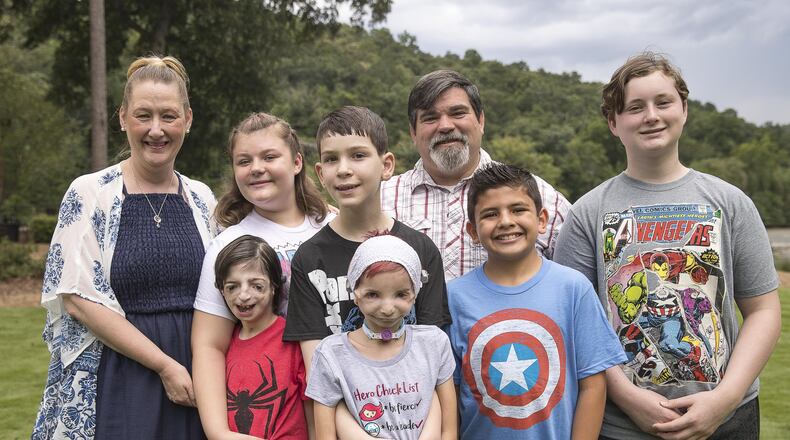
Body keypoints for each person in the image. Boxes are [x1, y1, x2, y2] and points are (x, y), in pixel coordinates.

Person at [553, 52, 782, 439]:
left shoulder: (729, 202)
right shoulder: (587, 213)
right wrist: (626, 397)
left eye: (663, 102)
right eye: (635, 107)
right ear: (613, 122)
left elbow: (762, 310)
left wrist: (725, 397)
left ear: (684, 109)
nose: (651, 116)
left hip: (728, 419)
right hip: (621, 424)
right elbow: (576, 326)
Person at [32, 55, 217, 439]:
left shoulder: (201, 198)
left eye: (168, 116)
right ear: (122, 118)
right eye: (142, 115)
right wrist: (165, 366)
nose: (156, 130)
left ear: (188, 119)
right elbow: (79, 299)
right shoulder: (89, 193)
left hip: (197, 376)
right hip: (120, 375)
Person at [447, 163, 626, 439]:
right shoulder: (454, 297)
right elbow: (450, 394)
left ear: (542, 219)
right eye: (490, 214)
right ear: (472, 231)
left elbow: (593, 385)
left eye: (518, 210)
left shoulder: (573, 288)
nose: (506, 221)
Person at [191, 112, 330, 438]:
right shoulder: (228, 244)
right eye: (244, 161)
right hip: (276, 417)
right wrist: (218, 431)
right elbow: (209, 345)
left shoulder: (333, 227)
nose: (256, 168)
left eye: (269, 157)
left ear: (297, 162)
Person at [282, 106, 451, 369]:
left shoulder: (420, 249)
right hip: (340, 406)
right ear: (320, 173)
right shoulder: (309, 258)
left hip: (414, 402)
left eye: (358, 155)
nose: (343, 169)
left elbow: (434, 357)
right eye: (331, 159)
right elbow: (316, 371)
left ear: (386, 166)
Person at [381, 69, 571, 280]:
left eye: (458, 113)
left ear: (480, 121)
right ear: (413, 133)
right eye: (430, 117)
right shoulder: (378, 201)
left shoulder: (543, 198)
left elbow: (570, 287)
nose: (445, 126)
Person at [307, 234, 457, 440]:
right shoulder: (331, 354)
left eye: (400, 294)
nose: (387, 309)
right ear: (355, 292)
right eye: (373, 294)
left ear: (415, 293)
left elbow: (448, 430)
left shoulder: (434, 344)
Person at [214, 235, 310, 439]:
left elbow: (314, 410)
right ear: (221, 290)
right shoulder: (221, 345)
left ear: (274, 286)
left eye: (256, 286)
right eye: (232, 287)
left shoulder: (293, 340)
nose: (243, 296)